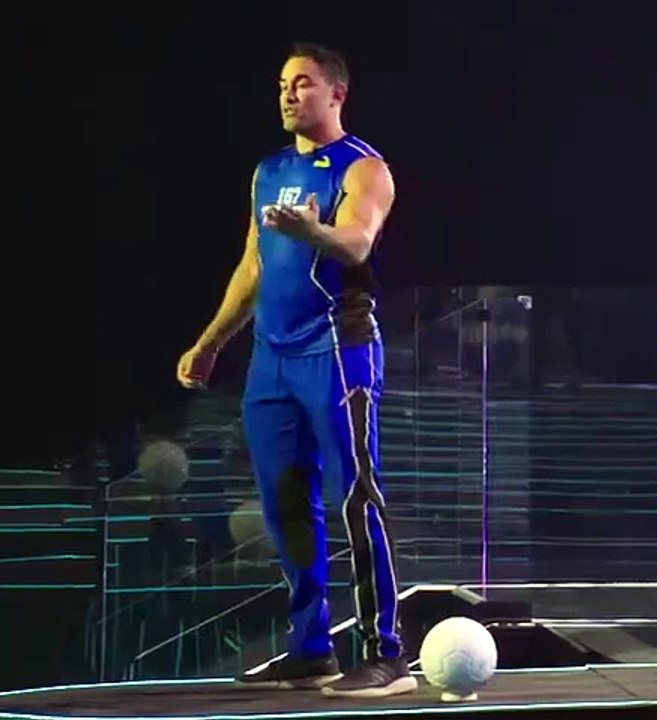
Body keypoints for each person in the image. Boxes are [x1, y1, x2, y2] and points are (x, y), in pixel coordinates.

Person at [176, 43, 413, 698]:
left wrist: (316, 233)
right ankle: (312, 649)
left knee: (355, 497)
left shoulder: (364, 168)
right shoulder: (269, 171)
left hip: (336, 351)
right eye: (283, 83)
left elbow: (357, 242)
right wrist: (210, 343)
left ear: (336, 94)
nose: (288, 93)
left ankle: (386, 653)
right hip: (271, 360)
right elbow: (252, 266)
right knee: (283, 503)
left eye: (303, 83)